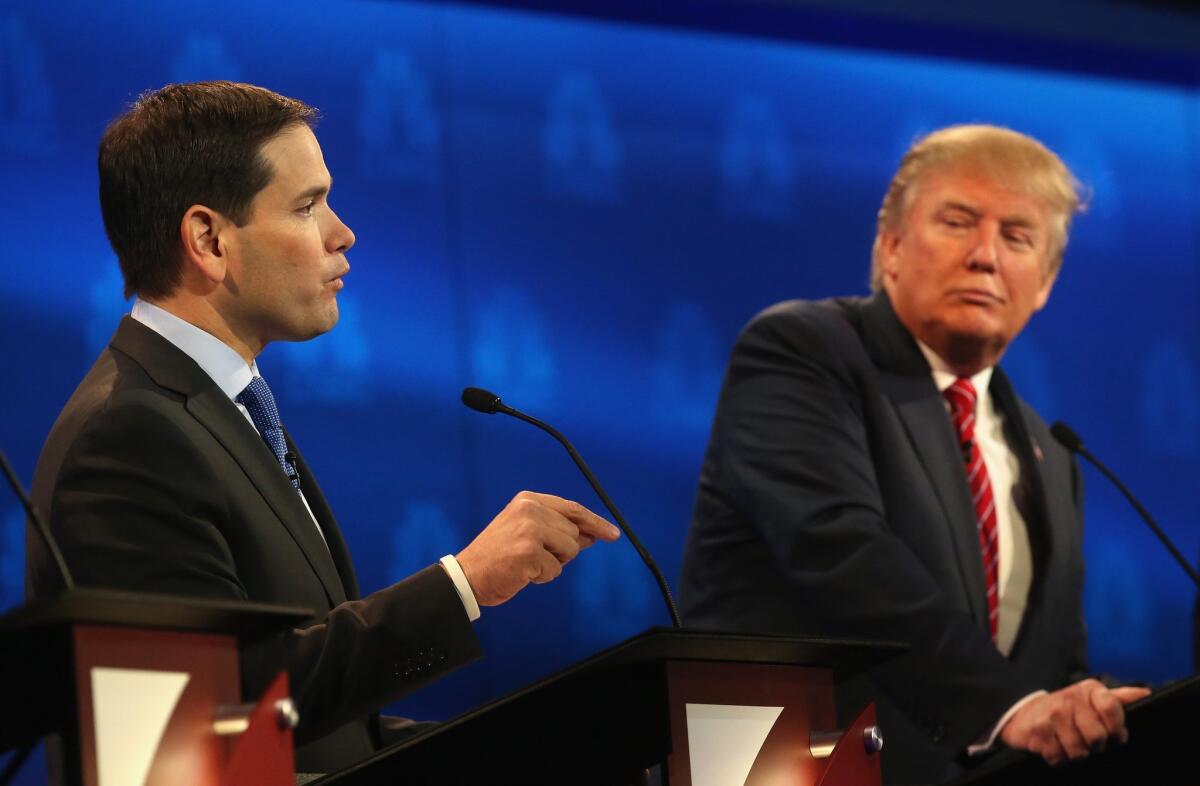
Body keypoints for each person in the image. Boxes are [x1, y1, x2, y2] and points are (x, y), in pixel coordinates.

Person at [26, 81, 620, 777]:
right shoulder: (128, 434)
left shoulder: (226, 406)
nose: (343, 234)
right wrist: (465, 584)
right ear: (209, 241)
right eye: (308, 206)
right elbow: (215, 718)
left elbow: (312, 726)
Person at [678, 125, 1149, 784]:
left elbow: (1048, 666)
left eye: (1018, 238)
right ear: (891, 246)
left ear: (1044, 282)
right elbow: (838, 549)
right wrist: (1007, 707)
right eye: (958, 223)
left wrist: (1089, 706)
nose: (985, 255)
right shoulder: (802, 352)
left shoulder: (1052, 453)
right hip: (789, 766)